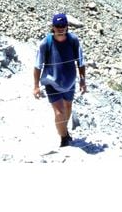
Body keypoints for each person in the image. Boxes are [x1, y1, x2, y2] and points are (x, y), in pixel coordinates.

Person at [33, 13, 87, 147]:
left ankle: (64, 130)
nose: (61, 28)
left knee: (68, 107)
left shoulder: (73, 40)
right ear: (53, 27)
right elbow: (37, 65)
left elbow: (80, 62)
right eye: (58, 26)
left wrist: (82, 80)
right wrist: (36, 86)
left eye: (63, 25)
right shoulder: (46, 43)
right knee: (59, 111)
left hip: (69, 82)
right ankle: (64, 139)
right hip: (51, 82)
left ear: (67, 26)